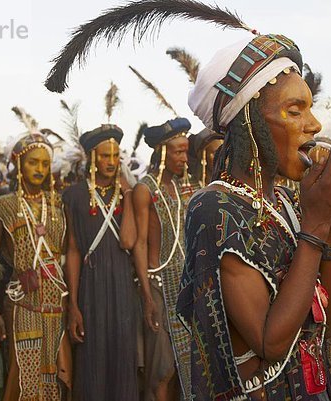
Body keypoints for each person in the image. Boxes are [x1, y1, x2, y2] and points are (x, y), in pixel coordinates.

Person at [175, 26, 331, 399]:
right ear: (251, 122)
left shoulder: (287, 202)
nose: (314, 125)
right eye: (295, 111)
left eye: (310, 109)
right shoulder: (215, 208)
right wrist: (315, 225)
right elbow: (270, 342)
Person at [0, 133, 70, 401]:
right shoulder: (3, 206)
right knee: (21, 370)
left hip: (55, 301)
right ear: (19, 163)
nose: (40, 170)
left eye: (45, 164)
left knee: (54, 369)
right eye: (33, 162)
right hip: (22, 302)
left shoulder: (58, 204)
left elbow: (66, 255)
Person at [63, 125, 139, 400]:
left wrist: (128, 195)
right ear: (92, 159)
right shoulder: (72, 195)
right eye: (105, 156)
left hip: (121, 285)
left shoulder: (127, 194)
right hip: (90, 285)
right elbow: (72, 249)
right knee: (92, 359)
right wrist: (73, 304)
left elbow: (128, 241)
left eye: (115, 156)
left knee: (122, 356)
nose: (111, 162)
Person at [133, 117, 194, 400]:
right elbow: (140, 243)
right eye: (179, 152)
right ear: (162, 153)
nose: (185, 158)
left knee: (188, 364)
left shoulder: (184, 188)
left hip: (186, 284)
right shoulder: (145, 189)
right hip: (159, 285)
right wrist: (147, 296)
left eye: (186, 151)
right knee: (163, 369)